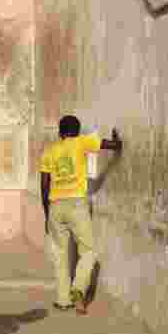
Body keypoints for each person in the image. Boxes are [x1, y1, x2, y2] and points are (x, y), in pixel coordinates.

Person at [40, 115, 122, 315]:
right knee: (88, 251)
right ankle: (78, 288)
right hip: (77, 203)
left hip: (55, 206)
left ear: (60, 132)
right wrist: (116, 138)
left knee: (60, 254)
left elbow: (44, 185)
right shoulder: (82, 142)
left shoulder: (49, 152)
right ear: (77, 132)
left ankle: (63, 300)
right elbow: (112, 145)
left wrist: (46, 212)